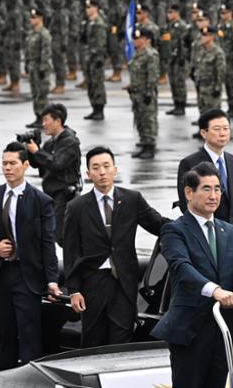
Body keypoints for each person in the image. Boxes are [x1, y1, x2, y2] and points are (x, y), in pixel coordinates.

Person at [151, 162, 233, 388]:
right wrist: (214, 290)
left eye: (217, 189)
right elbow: (181, 267)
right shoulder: (174, 230)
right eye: (206, 189)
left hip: (222, 329)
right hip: (189, 330)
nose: (214, 195)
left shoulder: (228, 231)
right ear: (189, 192)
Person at [63, 146, 171, 347]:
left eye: (106, 166)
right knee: (93, 341)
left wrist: (190, 224)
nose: (102, 172)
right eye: (96, 167)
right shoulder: (76, 207)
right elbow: (71, 252)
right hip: (92, 284)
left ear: (115, 169)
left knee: (122, 341)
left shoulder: (132, 199)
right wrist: (74, 290)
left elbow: (158, 224)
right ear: (88, 174)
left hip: (123, 283)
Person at [0, 142, 60, 371]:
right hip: (2, 275)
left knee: (30, 337)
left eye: (13, 163)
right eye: (4, 163)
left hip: (28, 276)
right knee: (4, 337)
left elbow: (47, 244)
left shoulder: (41, 201)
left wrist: (52, 280)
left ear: (26, 165)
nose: (7, 168)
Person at [177, 109, 233, 230]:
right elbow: (185, 202)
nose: (222, 133)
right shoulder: (190, 163)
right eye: (217, 129)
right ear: (203, 133)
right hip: (207, 230)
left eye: (226, 128)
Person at [26, 103, 81, 246]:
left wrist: (37, 151)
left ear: (58, 121)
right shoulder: (52, 142)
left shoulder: (70, 141)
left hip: (64, 194)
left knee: (62, 235)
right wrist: (31, 149)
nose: (43, 124)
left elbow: (58, 164)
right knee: (51, 233)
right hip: (51, 193)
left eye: (46, 120)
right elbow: (37, 164)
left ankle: (78, 262)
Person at [128, 28, 159, 160]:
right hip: (136, 93)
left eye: (138, 38)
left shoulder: (150, 54)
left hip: (145, 93)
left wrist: (148, 92)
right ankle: (144, 144)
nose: (135, 41)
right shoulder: (138, 53)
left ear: (147, 40)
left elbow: (152, 75)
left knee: (148, 119)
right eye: (134, 38)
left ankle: (150, 146)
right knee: (140, 119)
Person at [25, 7, 52, 129]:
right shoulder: (32, 33)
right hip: (32, 66)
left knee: (42, 93)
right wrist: (27, 64)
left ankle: (43, 118)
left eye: (33, 17)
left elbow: (46, 52)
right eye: (30, 17)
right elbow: (28, 50)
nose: (31, 20)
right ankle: (37, 116)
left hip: (41, 66)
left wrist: (43, 67)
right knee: (35, 92)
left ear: (40, 18)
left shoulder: (44, 33)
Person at [82, 0, 107, 121]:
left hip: (96, 58)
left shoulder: (99, 23)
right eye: (86, 8)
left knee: (97, 83)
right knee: (90, 83)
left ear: (96, 8)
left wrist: (99, 57)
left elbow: (101, 43)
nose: (87, 10)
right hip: (89, 57)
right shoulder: (88, 22)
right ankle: (94, 108)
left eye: (90, 7)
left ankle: (99, 109)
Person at [217, 3, 233, 119]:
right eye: (221, 13)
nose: (223, 15)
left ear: (230, 13)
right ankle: (230, 105)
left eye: (225, 13)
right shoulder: (220, 27)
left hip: (231, 60)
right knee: (227, 84)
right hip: (223, 61)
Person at [193, 25, 226, 115]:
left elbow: (221, 71)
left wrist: (218, 87)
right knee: (203, 113)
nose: (203, 37)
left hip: (211, 87)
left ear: (212, 36)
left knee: (213, 114)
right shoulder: (201, 50)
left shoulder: (217, 52)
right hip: (201, 86)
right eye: (202, 35)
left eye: (206, 35)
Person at [165, 4, 188, 116]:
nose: (168, 15)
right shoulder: (170, 26)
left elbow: (183, 42)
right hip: (171, 58)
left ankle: (181, 105)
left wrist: (182, 57)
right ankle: (176, 104)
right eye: (168, 12)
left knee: (179, 82)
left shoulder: (181, 26)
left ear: (176, 13)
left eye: (171, 12)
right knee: (173, 81)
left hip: (179, 58)